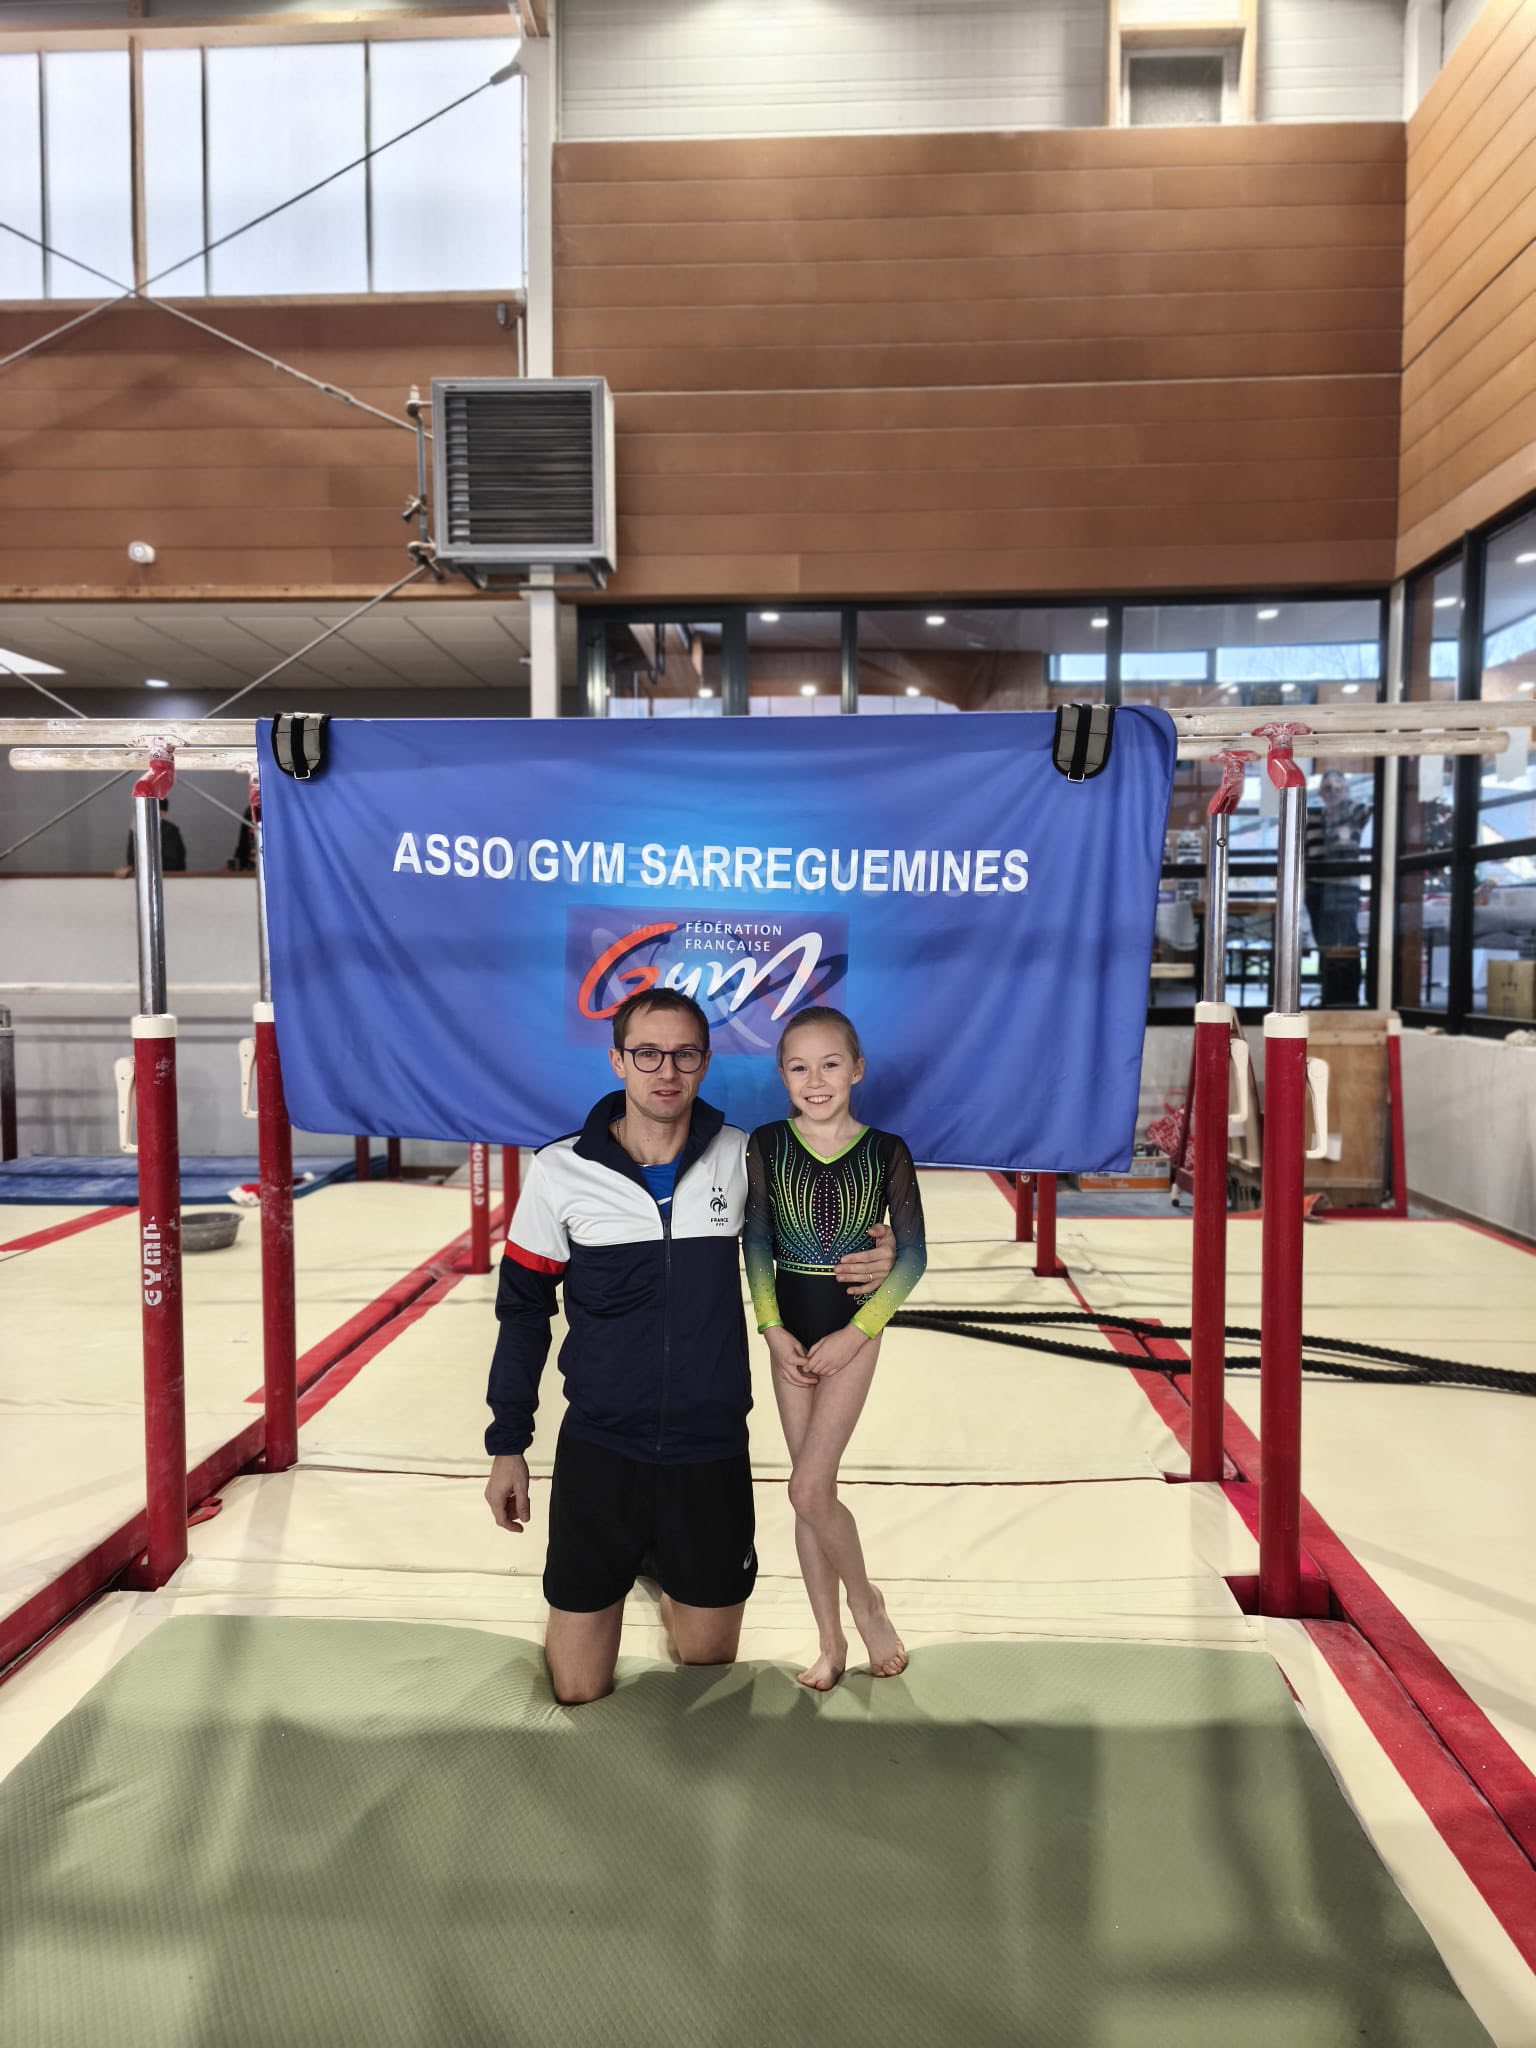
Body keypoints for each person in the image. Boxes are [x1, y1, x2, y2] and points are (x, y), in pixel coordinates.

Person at [482, 987, 897, 1706]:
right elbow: (522, 1311)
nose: (666, 1070)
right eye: (647, 1053)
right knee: (577, 1687)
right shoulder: (558, 1171)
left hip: (709, 1452)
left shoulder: (744, 1157)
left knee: (705, 1669)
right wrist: (507, 1443)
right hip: (601, 1450)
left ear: (705, 1063)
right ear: (617, 1060)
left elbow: (817, 1239)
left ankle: (667, 1578)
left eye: (684, 1054)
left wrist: (881, 1251)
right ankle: (640, 1572)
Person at [743, 1007, 927, 1691]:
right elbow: (756, 1241)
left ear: (857, 1070)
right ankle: (829, 1643)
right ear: (782, 1075)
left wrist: (857, 1333)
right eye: (799, 1067)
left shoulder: (886, 1151)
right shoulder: (767, 1143)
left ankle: (866, 1604)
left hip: (854, 1327)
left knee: (808, 1486)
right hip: (788, 1330)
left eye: (830, 1065)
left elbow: (913, 1257)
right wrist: (771, 1329)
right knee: (808, 1492)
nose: (815, 1080)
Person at [1305, 769, 1371, 1006]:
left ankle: (1348, 999)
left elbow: (1369, 811)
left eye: (1339, 787)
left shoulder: (1354, 812)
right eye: (1328, 788)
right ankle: (1330, 997)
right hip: (1317, 888)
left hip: (1344, 888)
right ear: (1321, 792)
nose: (1333, 792)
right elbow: (1305, 853)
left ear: (1346, 790)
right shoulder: (1312, 818)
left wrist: (1343, 801)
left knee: (1347, 944)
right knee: (1326, 945)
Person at [117, 797, 187, 877]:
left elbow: (169, 863)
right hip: (147, 877)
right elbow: (132, 859)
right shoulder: (138, 828)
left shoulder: (170, 831)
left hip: (169, 878)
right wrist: (133, 833)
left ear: (162, 814)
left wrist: (133, 867)